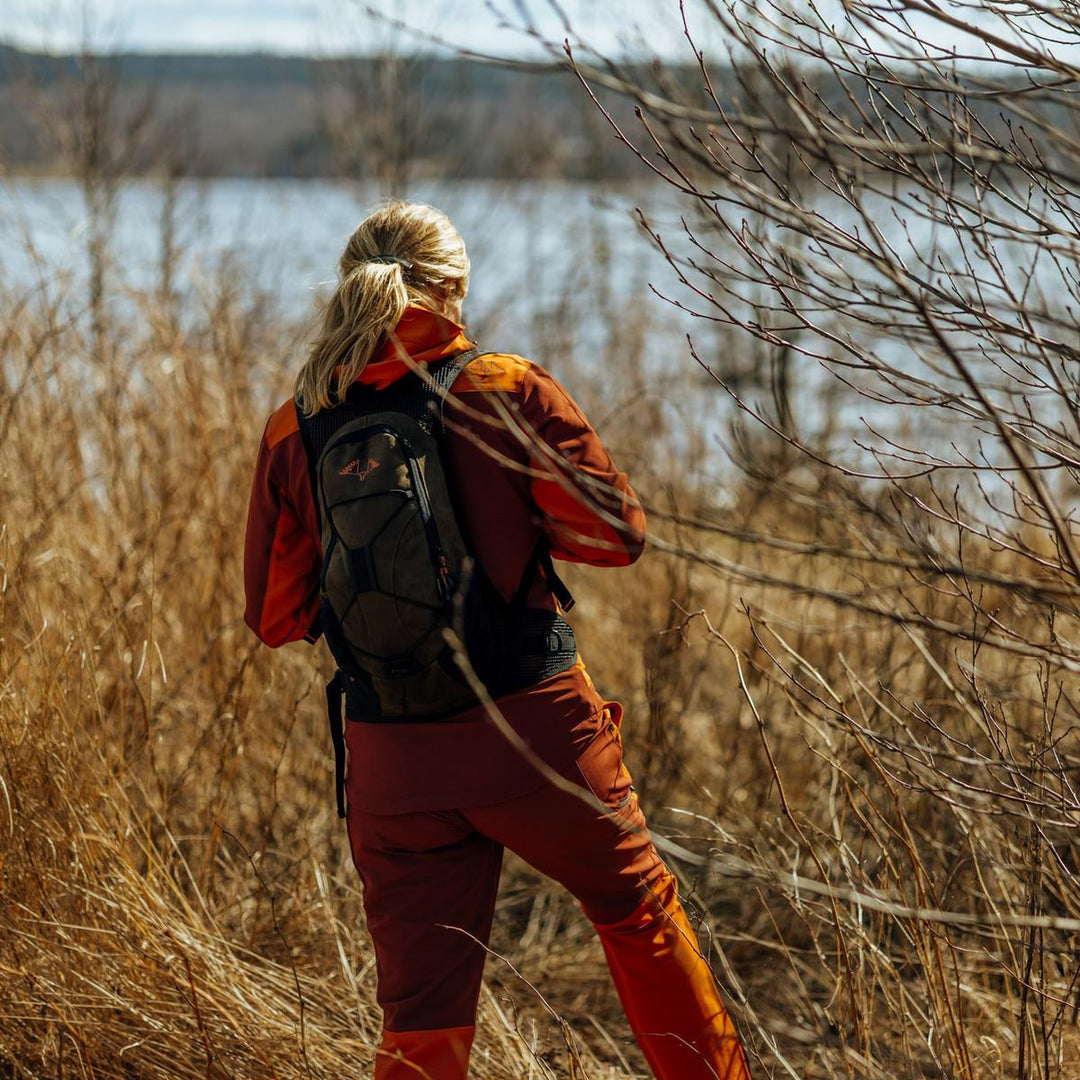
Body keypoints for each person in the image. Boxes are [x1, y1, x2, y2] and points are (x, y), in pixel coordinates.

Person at [244, 200, 751, 1080]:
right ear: (452, 289)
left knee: (421, 1020)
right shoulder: (503, 387)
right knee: (640, 917)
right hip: (535, 737)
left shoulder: (296, 425)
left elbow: (275, 617)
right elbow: (614, 538)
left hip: (391, 762)